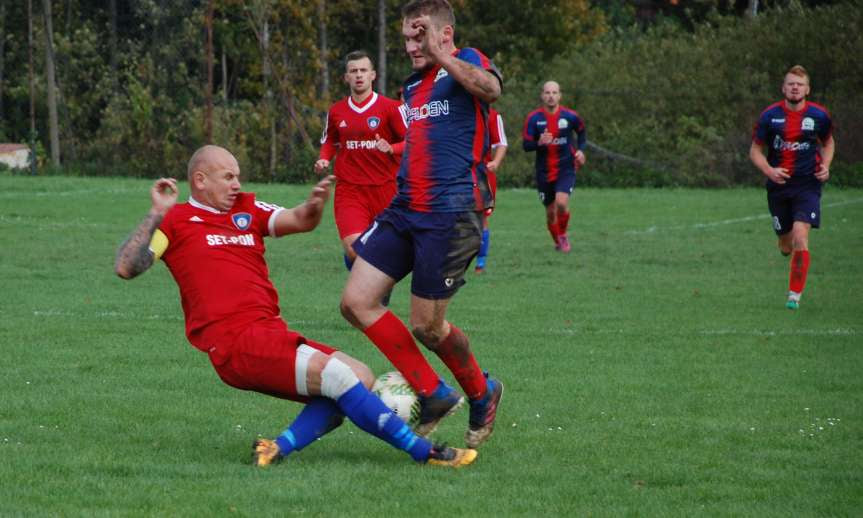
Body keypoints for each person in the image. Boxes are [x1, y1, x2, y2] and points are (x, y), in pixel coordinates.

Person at [113, 145, 476, 468]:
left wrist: (314, 205)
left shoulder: (247, 209)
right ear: (200, 180)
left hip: (269, 331)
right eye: (228, 177)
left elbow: (300, 220)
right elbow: (128, 266)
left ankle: (276, 448)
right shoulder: (175, 221)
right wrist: (156, 212)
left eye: (238, 176)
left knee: (361, 376)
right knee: (339, 378)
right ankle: (424, 453)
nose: (237, 184)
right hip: (234, 340)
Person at [339, 0, 503, 450]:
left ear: (444, 34)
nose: (412, 45)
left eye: (420, 35)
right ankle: (432, 393)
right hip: (406, 208)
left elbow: (490, 90)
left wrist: (444, 55)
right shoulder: (413, 87)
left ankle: (481, 392)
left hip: (451, 213)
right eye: (408, 37)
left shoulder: (467, 61)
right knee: (356, 302)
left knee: (427, 327)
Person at [749, 65, 835, 310]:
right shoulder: (769, 116)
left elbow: (828, 143)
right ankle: (784, 244)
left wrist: (826, 165)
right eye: (790, 84)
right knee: (786, 244)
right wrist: (770, 171)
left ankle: (794, 295)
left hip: (807, 184)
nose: (795, 88)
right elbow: (755, 151)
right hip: (778, 187)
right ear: (783, 88)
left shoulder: (819, 116)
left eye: (799, 84)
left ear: (807, 89)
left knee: (801, 234)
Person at [315, 50, 407, 272]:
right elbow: (330, 142)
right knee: (355, 249)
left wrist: (391, 148)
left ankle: (373, 296)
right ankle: (366, 290)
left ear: (373, 75)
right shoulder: (336, 111)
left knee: (384, 252)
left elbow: (414, 141)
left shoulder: (392, 108)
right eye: (353, 71)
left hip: (386, 189)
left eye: (363, 70)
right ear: (346, 77)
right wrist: (324, 159)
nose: (359, 75)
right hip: (350, 190)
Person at [522, 80, 586, 253]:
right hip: (544, 172)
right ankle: (558, 241)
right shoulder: (534, 119)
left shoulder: (570, 116)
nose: (551, 96)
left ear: (560, 95)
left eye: (554, 93)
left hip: (566, 168)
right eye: (547, 93)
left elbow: (581, 132)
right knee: (551, 213)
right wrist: (539, 143)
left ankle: (563, 235)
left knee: (561, 203)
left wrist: (581, 151)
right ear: (542, 95)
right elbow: (526, 145)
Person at [475, 107, 508, 273]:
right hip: (457, 171)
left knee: (481, 218)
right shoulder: (454, 108)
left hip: (482, 173)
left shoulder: (492, 115)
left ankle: (480, 263)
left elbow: (502, 143)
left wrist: (496, 162)